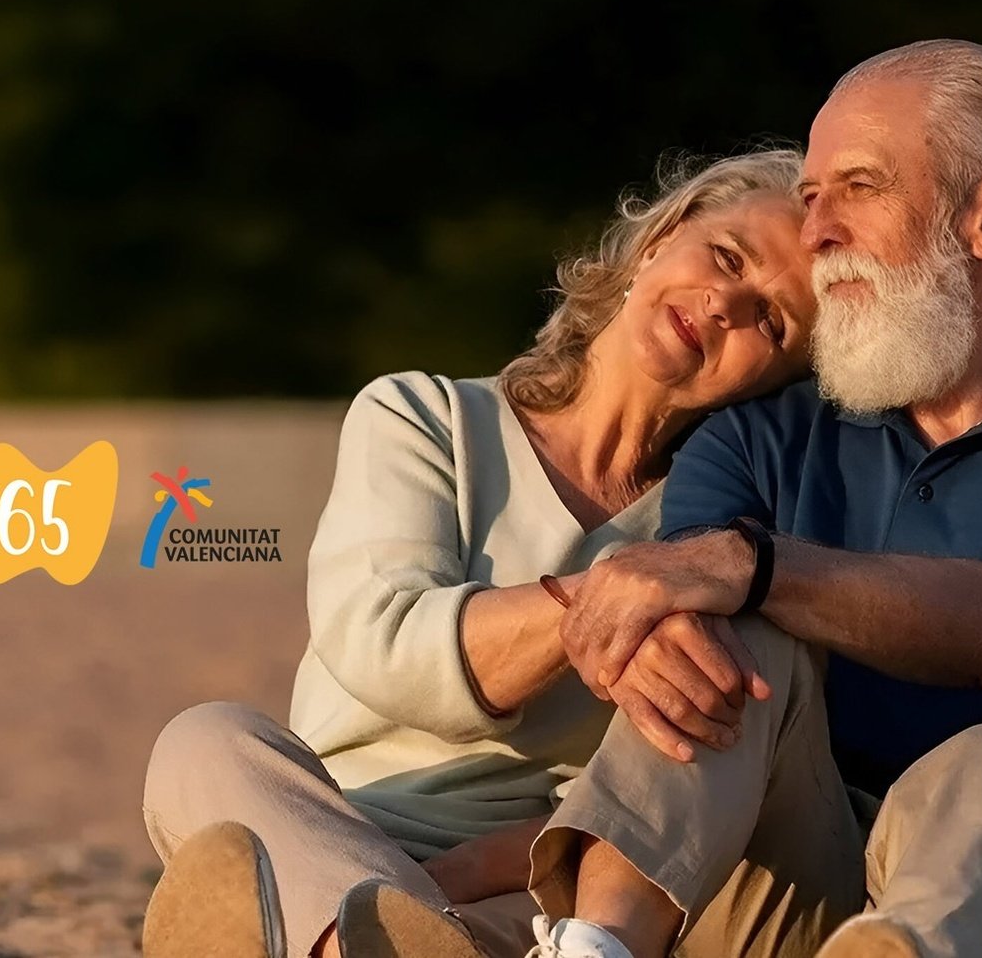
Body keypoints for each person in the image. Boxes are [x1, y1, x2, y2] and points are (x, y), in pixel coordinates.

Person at [347, 40, 982, 958]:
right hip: (811, 905)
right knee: (723, 627)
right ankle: (589, 950)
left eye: (858, 187)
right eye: (811, 198)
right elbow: (682, 645)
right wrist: (728, 578)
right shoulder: (764, 437)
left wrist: (756, 562)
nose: (817, 232)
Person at [140, 146, 847, 958]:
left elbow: (684, 789)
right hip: (340, 826)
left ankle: (351, 941)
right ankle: (367, 933)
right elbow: (386, 644)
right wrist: (610, 598)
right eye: (726, 256)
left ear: (779, 383)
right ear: (662, 238)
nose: (727, 303)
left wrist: (472, 871)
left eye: (772, 322)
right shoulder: (424, 417)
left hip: (540, 881)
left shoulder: (729, 534)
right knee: (204, 740)